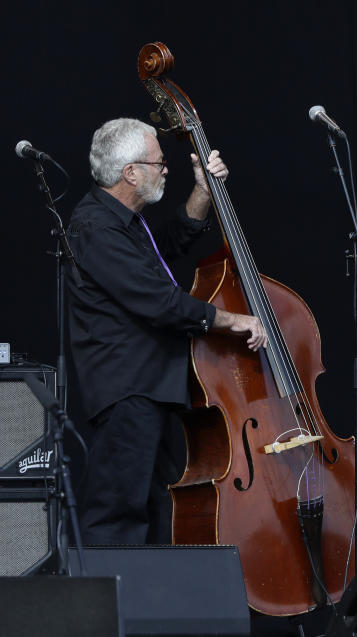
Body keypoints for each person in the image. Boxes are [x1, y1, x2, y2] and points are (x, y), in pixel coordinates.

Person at [67, 118, 267, 544]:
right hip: (127, 391)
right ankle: (107, 610)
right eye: (159, 163)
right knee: (117, 517)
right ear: (130, 173)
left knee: (159, 512)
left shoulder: (125, 223)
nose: (166, 169)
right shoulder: (95, 228)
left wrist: (203, 192)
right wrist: (235, 321)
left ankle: (150, 609)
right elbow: (161, 302)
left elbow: (170, 245)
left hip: (151, 389)